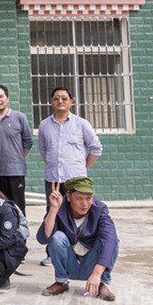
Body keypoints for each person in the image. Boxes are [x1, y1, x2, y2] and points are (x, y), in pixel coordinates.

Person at [38, 86, 103, 266]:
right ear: (51, 101)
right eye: (56, 98)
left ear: (71, 101)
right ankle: (52, 253)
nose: (60, 101)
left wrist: (84, 166)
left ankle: (79, 251)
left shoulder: (81, 124)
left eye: (64, 98)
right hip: (53, 179)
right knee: (52, 213)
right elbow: (44, 150)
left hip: (76, 181)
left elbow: (96, 148)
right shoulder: (44, 125)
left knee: (78, 214)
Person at [37, 177, 119, 301]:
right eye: (79, 198)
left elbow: (110, 238)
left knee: (113, 241)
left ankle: (100, 283)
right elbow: (43, 239)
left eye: (88, 198)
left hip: (91, 263)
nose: (84, 204)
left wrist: (96, 273)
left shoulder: (99, 209)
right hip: (70, 262)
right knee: (57, 237)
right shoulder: (59, 206)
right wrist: (54, 209)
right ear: (69, 197)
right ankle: (61, 282)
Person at [0, 84, 33, 214]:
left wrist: (17, 157)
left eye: (1, 96)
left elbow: (28, 142)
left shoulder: (19, 117)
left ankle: (19, 228)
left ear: (7, 98)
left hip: (15, 172)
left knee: (17, 208)